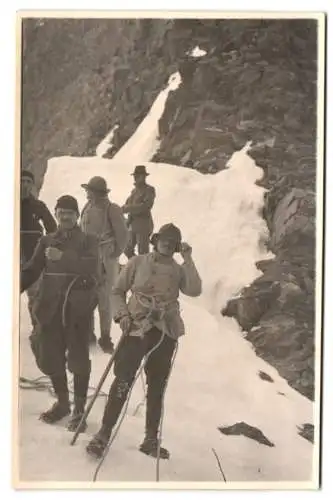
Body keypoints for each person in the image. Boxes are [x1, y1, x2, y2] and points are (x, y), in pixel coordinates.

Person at [86, 223, 202, 459]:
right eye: (164, 239)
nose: (167, 244)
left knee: (157, 386)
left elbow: (195, 289)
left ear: (177, 246)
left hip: (164, 332)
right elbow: (117, 291)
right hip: (136, 328)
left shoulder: (179, 270)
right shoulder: (137, 262)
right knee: (122, 380)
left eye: (173, 241)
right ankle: (104, 434)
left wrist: (188, 259)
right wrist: (123, 316)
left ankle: (150, 439)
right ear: (155, 240)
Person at [20, 195, 99, 432]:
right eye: (61, 212)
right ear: (55, 214)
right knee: (48, 354)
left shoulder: (88, 241)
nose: (65, 216)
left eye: (70, 213)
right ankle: (64, 403)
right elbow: (33, 269)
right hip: (49, 309)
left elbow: (93, 267)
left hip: (78, 310)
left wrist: (63, 257)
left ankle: (79, 411)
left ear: (77, 217)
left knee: (78, 359)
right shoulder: (46, 241)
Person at [80, 176, 129, 354]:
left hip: (106, 258)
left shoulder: (112, 209)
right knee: (88, 296)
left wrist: (113, 255)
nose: (87, 194)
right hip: (89, 258)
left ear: (98, 193)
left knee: (105, 300)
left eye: (89, 191)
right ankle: (89, 334)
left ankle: (105, 337)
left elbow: (123, 235)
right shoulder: (87, 207)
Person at [20, 169, 57, 333]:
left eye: (28, 182)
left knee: (35, 295)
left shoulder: (38, 206)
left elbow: (53, 230)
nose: (25, 185)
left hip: (32, 258)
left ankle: (37, 329)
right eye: (22, 181)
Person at [122, 165, 156, 258]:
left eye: (138, 176)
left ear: (144, 176)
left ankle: (144, 269)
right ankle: (136, 265)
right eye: (135, 176)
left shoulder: (149, 190)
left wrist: (128, 208)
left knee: (143, 253)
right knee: (127, 249)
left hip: (143, 226)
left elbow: (146, 206)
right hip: (132, 225)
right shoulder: (134, 191)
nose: (135, 178)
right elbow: (127, 204)